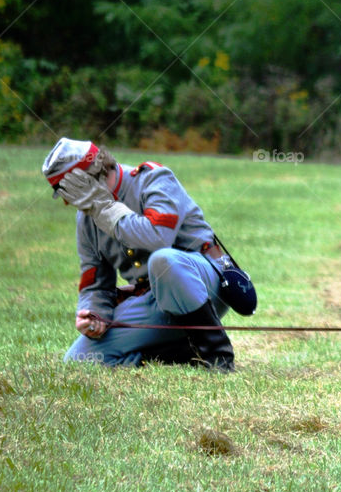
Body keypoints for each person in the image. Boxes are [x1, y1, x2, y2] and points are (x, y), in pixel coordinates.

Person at [43, 138, 235, 371]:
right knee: (78, 360)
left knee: (164, 260)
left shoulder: (153, 179)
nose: (66, 201)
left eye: (67, 191)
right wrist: (94, 313)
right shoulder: (87, 218)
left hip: (206, 285)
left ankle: (218, 356)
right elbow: (94, 282)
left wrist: (104, 208)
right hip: (155, 300)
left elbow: (157, 236)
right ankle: (184, 352)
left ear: (84, 180)